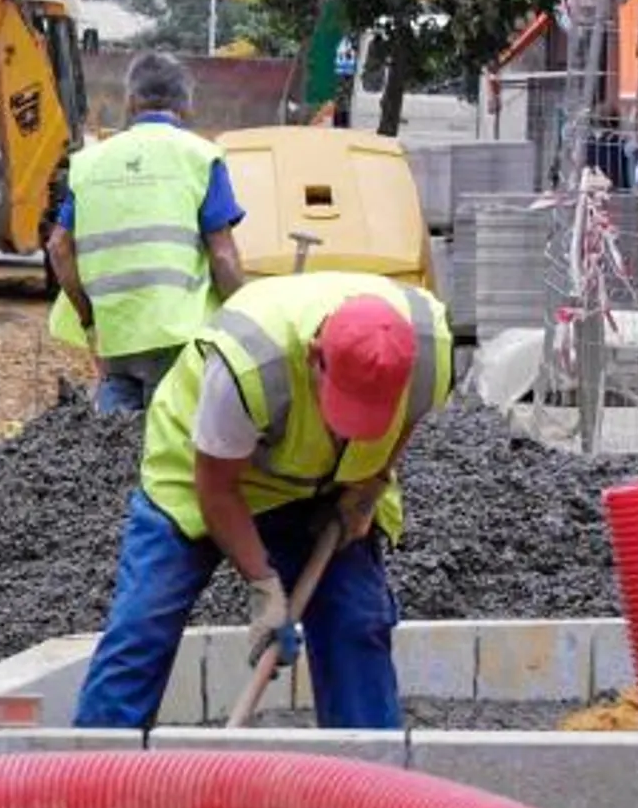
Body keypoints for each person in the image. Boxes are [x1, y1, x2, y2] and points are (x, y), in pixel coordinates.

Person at [73, 271, 455, 731]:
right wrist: (265, 587)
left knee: (356, 623)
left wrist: (371, 483)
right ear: (316, 357)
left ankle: (371, 781)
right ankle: (95, 771)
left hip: (326, 486)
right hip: (199, 476)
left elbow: (410, 415)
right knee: (144, 625)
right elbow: (216, 489)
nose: (347, 428)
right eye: (344, 408)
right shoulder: (248, 364)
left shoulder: (429, 353)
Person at [48, 52, 246, 413]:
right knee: (167, 450)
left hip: (114, 335)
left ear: (131, 101)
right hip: (178, 336)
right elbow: (222, 256)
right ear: (186, 106)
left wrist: (91, 320)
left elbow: (59, 247)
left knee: (112, 448)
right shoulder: (201, 157)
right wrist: (246, 318)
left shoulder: (90, 162)